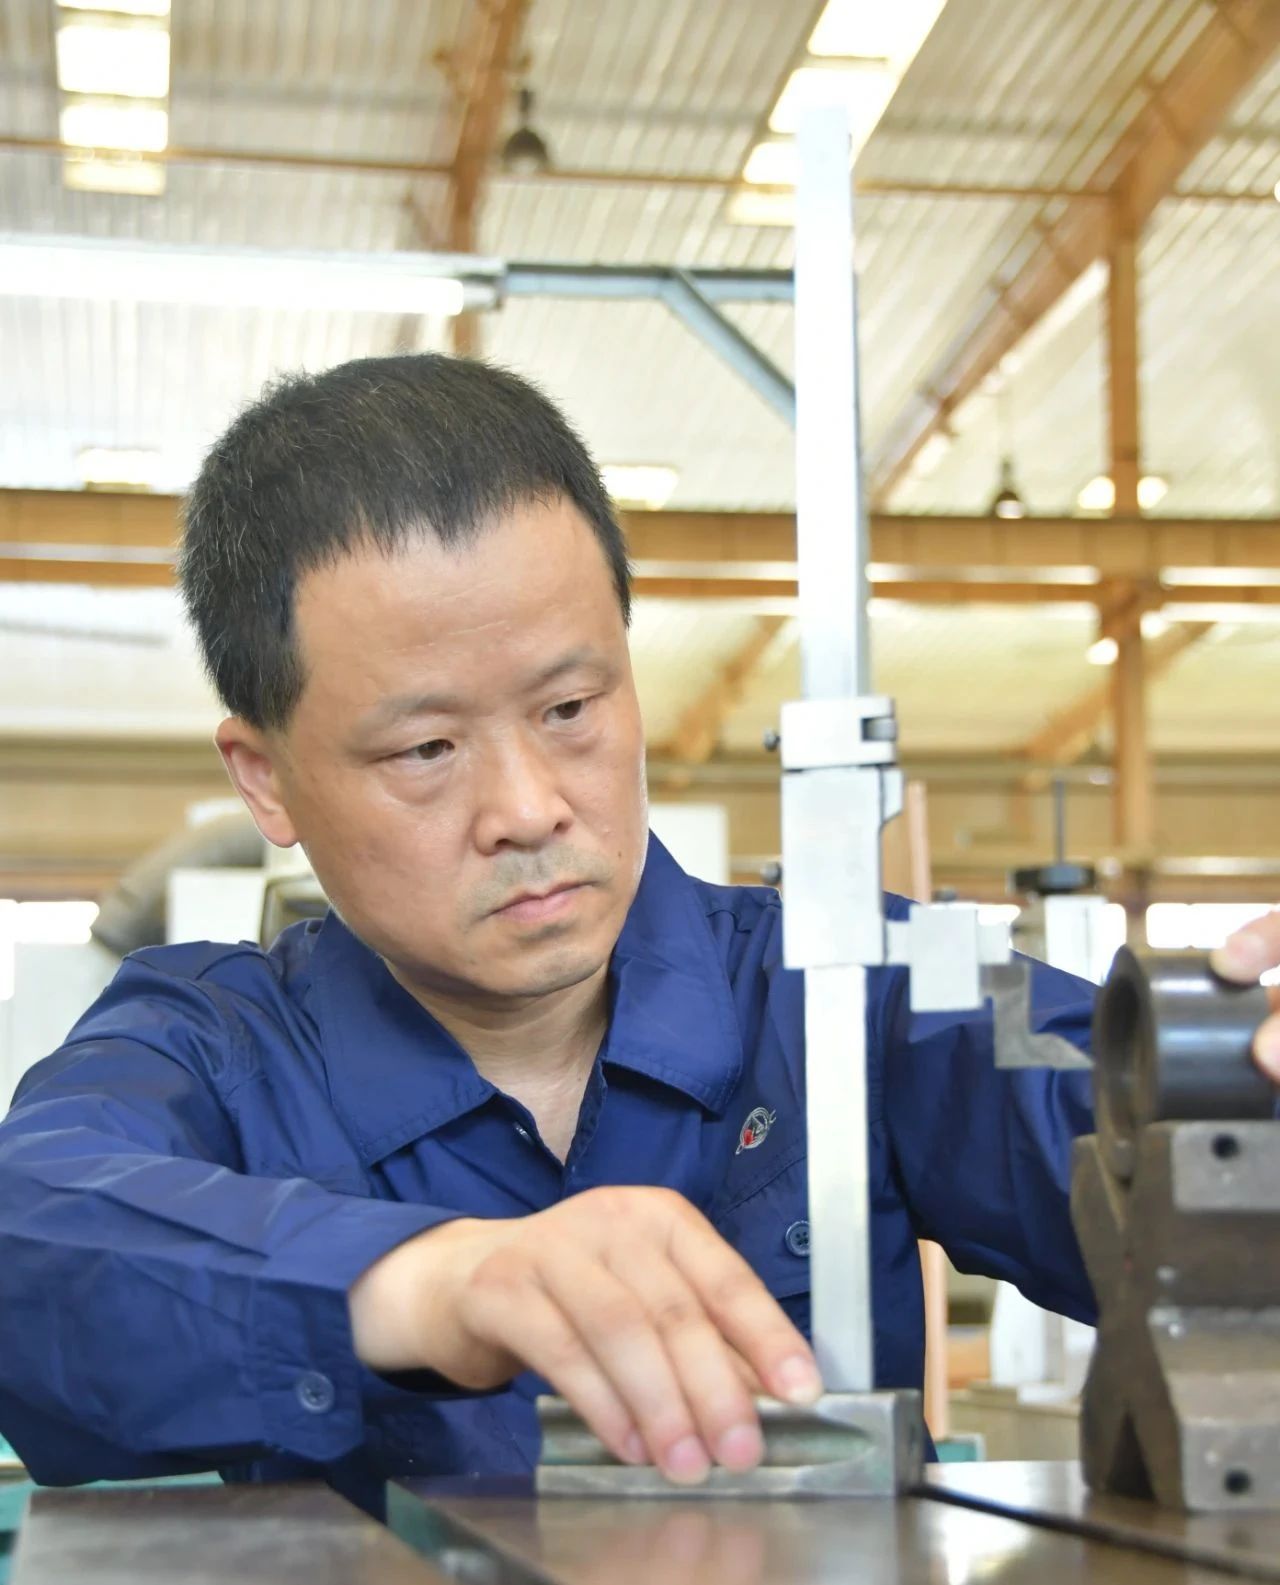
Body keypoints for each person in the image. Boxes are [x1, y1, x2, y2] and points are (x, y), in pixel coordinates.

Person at [0, 356, 1276, 1519]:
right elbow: (31, 1240)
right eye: (426, 748)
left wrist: (1252, 1077)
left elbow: (1165, 1156)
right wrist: (435, 1283)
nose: (526, 807)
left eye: (569, 707)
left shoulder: (844, 991)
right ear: (267, 778)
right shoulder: (217, 1047)